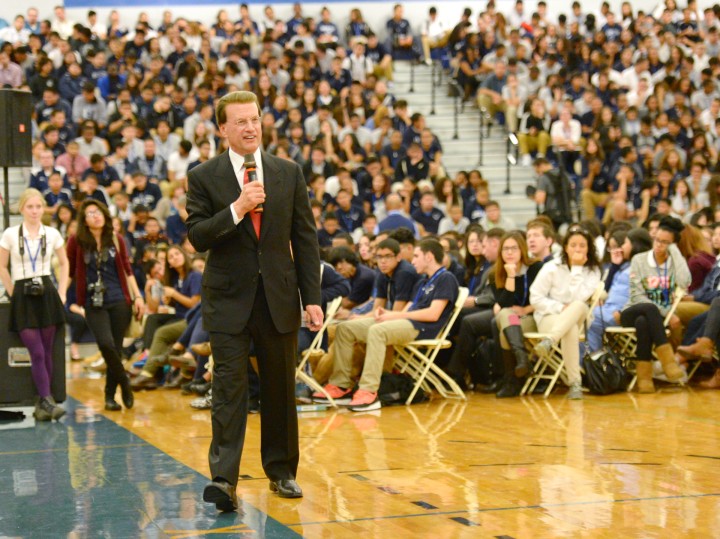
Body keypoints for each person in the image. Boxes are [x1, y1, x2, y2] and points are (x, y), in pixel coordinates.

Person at [186, 91, 322, 511]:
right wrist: (237, 208)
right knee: (229, 390)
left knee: (281, 389)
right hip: (228, 300)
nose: (250, 127)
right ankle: (224, 480)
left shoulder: (288, 172)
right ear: (222, 129)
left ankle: (282, 472)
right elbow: (197, 235)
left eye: (255, 119)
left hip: (279, 297)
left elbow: (305, 238)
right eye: (240, 121)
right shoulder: (203, 176)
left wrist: (312, 298)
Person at [313, 238, 459, 410]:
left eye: (417, 256)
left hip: (422, 328)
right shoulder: (423, 281)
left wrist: (396, 315)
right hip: (407, 321)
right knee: (345, 328)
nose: (412, 260)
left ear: (429, 256)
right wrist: (390, 314)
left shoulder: (446, 278)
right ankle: (341, 385)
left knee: (377, 331)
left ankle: (368, 390)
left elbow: (433, 314)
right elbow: (410, 308)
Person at [66, 200, 145, 411]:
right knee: (106, 344)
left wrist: (138, 297)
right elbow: (70, 271)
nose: (96, 216)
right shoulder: (76, 241)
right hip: (93, 301)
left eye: (99, 212)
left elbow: (128, 270)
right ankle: (125, 383)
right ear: (84, 220)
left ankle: (110, 396)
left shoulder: (116, 238)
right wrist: (61, 293)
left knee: (116, 349)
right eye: (90, 213)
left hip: (119, 299)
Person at [0, 189, 69, 421]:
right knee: (36, 352)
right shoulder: (10, 234)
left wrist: (61, 291)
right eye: (30, 207)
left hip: (46, 290)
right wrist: (12, 293)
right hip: (22, 291)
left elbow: (64, 261)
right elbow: (2, 266)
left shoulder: (51, 233)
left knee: (48, 351)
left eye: (38, 206)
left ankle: (43, 404)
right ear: (21, 209)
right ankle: (46, 400)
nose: (35, 211)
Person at [618, 216, 691, 393]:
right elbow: (637, 296)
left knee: (644, 322)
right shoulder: (639, 260)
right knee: (648, 309)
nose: (659, 245)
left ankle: (644, 378)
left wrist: (675, 252)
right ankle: (668, 361)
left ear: (673, 245)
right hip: (631, 311)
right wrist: (667, 313)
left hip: (652, 319)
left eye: (666, 242)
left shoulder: (673, 263)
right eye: (657, 240)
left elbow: (685, 282)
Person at [530, 226, 603, 399]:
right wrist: (560, 308)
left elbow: (579, 297)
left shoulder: (593, 270)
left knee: (578, 305)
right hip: (550, 317)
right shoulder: (551, 267)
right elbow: (535, 298)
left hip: (580, 318)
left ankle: (550, 341)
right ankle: (575, 384)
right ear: (565, 247)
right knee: (569, 329)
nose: (577, 249)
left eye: (582, 246)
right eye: (573, 245)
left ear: (589, 248)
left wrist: (577, 268)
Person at [491, 232, 544, 398]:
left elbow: (546, 297)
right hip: (512, 320)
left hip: (533, 317)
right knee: (507, 317)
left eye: (514, 248)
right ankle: (521, 359)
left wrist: (526, 310)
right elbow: (505, 304)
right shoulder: (497, 273)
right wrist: (511, 276)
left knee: (505, 325)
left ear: (522, 250)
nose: (509, 252)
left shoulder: (536, 268)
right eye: (505, 249)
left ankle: (512, 381)